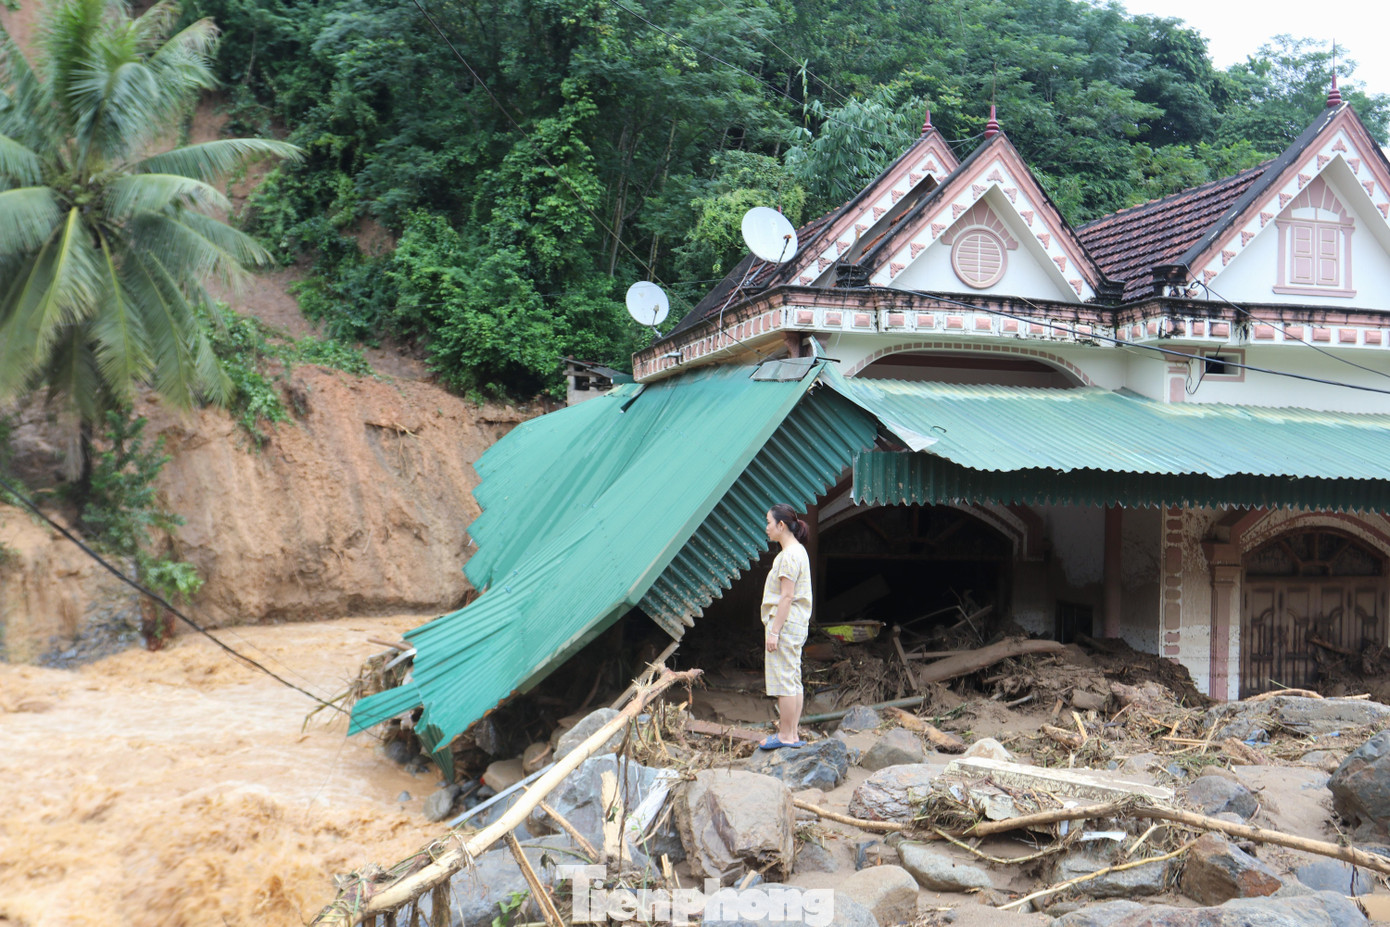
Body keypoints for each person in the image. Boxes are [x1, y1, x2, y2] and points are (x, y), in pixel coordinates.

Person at [759, 503, 812, 749]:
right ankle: (792, 734)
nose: (767, 527)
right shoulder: (798, 551)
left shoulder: (789, 556)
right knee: (793, 679)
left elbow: (786, 597)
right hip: (796, 624)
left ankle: (786, 736)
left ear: (781, 525)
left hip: (786, 625)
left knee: (785, 682)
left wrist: (774, 631)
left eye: (769, 522)